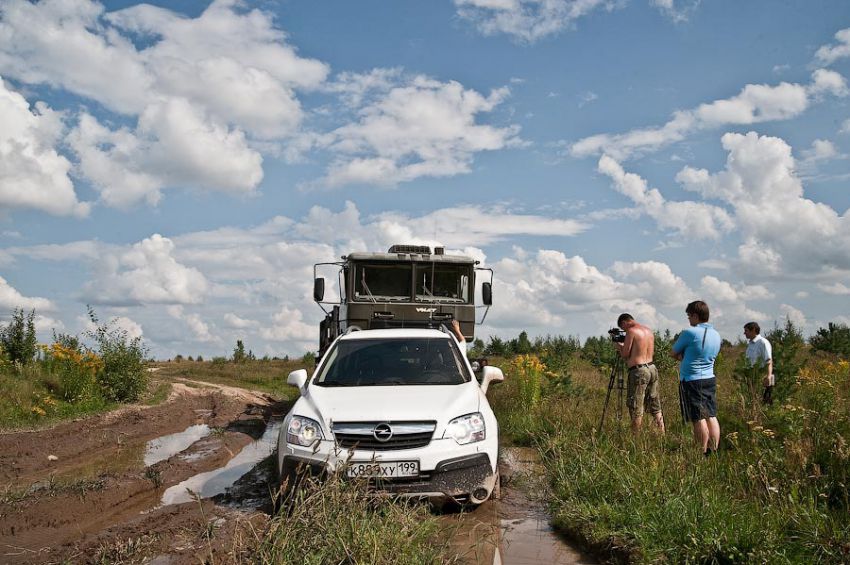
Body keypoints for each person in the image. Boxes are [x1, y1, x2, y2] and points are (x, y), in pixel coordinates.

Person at [672, 300, 722, 455]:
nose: (688, 319)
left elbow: (673, 353)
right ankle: (712, 450)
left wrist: (685, 357)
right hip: (709, 378)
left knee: (698, 417)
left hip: (692, 380)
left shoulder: (689, 333)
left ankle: (700, 452)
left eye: (689, 316)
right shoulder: (716, 334)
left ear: (695, 315)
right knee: (711, 415)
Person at [614, 313, 665, 434]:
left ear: (625, 322)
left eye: (623, 328)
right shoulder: (648, 331)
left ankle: (635, 438)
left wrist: (618, 346)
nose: (624, 331)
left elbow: (625, 355)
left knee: (636, 405)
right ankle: (662, 434)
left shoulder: (632, 331)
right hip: (652, 368)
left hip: (639, 371)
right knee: (655, 405)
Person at [744, 322, 773, 404]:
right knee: (754, 401)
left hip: (763, 376)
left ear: (753, 330)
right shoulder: (750, 344)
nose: (744, 333)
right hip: (752, 376)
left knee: (765, 402)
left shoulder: (763, 342)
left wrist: (769, 376)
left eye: (746, 330)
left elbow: (769, 360)